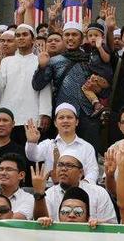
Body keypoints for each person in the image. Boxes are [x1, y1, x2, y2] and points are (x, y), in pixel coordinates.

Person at [32, 21, 109, 150]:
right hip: (64, 115)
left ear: (81, 38)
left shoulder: (92, 58)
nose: (70, 38)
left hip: (88, 114)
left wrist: (98, 86)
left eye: (74, 34)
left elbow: (105, 90)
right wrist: (42, 66)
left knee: (89, 153)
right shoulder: (54, 61)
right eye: (67, 35)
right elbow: (37, 85)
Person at [0, 24, 52, 144]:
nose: (21, 37)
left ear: (33, 40)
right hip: (9, 117)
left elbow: (45, 89)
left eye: (25, 35)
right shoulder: (6, 61)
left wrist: (45, 113)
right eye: (18, 35)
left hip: (32, 117)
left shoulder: (39, 59)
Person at [25, 103, 98, 183]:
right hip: (50, 190)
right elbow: (33, 156)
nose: (65, 120)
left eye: (69, 117)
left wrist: (83, 186)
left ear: (77, 122)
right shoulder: (48, 144)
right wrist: (32, 142)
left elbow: (92, 172)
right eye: (61, 118)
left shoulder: (86, 147)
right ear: (55, 123)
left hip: (76, 192)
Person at [32, 154, 116, 223]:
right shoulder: (49, 194)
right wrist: (39, 193)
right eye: (60, 165)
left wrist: (99, 224)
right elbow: (41, 223)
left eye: (69, 165)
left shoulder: (99, 192)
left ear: (81, 172)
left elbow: (111, 226)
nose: (63, 169)